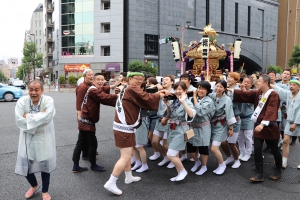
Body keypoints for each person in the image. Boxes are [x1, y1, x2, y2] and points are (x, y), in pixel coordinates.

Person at [104, 72, 168, 196]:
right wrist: (160, 94)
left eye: (141, 79)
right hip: (124, 129)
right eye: (137, 79)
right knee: (125, 157)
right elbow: (146, 98)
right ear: (130, 79)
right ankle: (111, 182)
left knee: (126, 155)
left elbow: (144, 96)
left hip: (123, 127)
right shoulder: (132, 88)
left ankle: (128, 177)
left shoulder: (127, 88)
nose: (139, 81)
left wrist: (158, 94)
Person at [232, 75, 282, 182]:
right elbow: (245, 94)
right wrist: (231, 90)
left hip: (270, 127)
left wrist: (263, 124)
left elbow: (271, 110)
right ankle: (259, 174)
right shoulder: (257, 93)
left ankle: (278, 169)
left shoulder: (273, 94)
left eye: (259, 81)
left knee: (275, 150)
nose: (257, 83)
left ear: (266, 83)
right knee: (258, 150)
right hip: (258, 126)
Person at [15, 80, 56, 200]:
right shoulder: (22, 101)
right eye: (31, 90)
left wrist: (27, 116)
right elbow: (18, 119)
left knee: (45, 166)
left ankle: (45, 191)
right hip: (27, 138)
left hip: (44, 137)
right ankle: (34, 185)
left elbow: (47, 117)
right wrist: (39, 118)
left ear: (42, 90)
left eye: (36, 90)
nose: (33, 92)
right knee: (25, 164)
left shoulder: (49, 101)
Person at [72, 73, 119, 172]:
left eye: (102, 80)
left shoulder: (93, 88)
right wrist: (120, 96)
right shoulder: (91, 90)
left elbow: (102, 91)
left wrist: (114, 86)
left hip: (85, 118)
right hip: (86, 119)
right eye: (98, 79)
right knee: (92, 143)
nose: (101, 81)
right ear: (93, 81)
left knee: (80, 142)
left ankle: (76, 165)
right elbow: (104, 98)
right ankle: (93, 164)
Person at [163, 82, 196, 181]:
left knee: (170, 154)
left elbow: (191, 114)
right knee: (175, 154)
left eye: (180, 89)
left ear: (185, 91)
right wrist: (168, 105)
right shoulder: (175, 101)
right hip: (172, 129)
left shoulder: (187, 101)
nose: (177, 91)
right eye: (176, 89)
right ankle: (179, 173)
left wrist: (183, 102)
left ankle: (183, 171)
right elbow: (170, 114)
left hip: (181, 130)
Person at [209, 80, 236, 175]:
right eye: (217, 86)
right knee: (216, 146)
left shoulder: (227, 99)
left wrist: (231, 128)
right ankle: (225, 160)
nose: (218, 88)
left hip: (221, 125)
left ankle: (222, 165)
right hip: (211, 124)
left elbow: (230, 113)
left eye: (221, 87)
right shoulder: (211, 95)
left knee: (214, 148)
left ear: (225, 89)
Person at [272, 80, 300, 168]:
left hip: (298, 122)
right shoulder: (288, 94)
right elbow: (280, 90)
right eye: (290, 85)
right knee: (285, 141)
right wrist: (269, 84)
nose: (291, 86)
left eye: (294, 85)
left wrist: (295, 123)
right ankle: (283, 162)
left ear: (299, 87)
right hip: (289, 121)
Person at [188, 81, 215, 175]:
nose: (200, 90)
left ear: (207, 91)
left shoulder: (209, 101)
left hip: (203, 127)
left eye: (203, 88)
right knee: (190, 148)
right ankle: (197, 162)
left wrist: (194, 97)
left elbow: (199, 112)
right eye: (199, 88)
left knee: (203, 148)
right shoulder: (192, 99)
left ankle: (204, 166)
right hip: (191, 127)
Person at [150, 75, 174, 167]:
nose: (164, 81)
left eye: (167, 80)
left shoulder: (174, 93)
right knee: (154, 142)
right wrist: (159, 90)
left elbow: (174, 108)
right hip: (159, 119)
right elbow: (150, 97)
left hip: (169, 121)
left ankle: (173, 159)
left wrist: (167, 118)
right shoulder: (160, 92)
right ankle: (166, 157)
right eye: (163, 80)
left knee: (166, 144)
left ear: (172, 82)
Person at [221, 72, 242, 169]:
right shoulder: (226, 89)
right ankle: (229, 157)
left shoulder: (237, 90)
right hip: (224, 119)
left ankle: (237, 160)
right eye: (228, 77)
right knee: (222, 141)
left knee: (232, 143)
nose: (228, 79)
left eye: (231, 78)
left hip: (234, 119)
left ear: (236, 80)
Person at [179, 73, 197, 161]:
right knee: (182, 137)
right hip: (181, 116)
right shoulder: (179, 90)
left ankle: (195, 155)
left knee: (191, 138)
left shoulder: (194, 90)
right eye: (181, 79)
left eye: (185, 79)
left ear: (190, 81)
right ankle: (184, 154)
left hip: (192, 115)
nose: (182, 80)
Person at [237, 76, 254, 162]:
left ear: (251, 85)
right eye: (244, 82)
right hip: (240, 117)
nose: (245, 84)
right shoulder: (238, 91)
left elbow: (250, 102)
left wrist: (244, 91)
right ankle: (242, 152)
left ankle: (248, 153)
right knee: (240, 137)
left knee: (248, 136)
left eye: (248, 82)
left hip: (249, 117)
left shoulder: (253, 93)